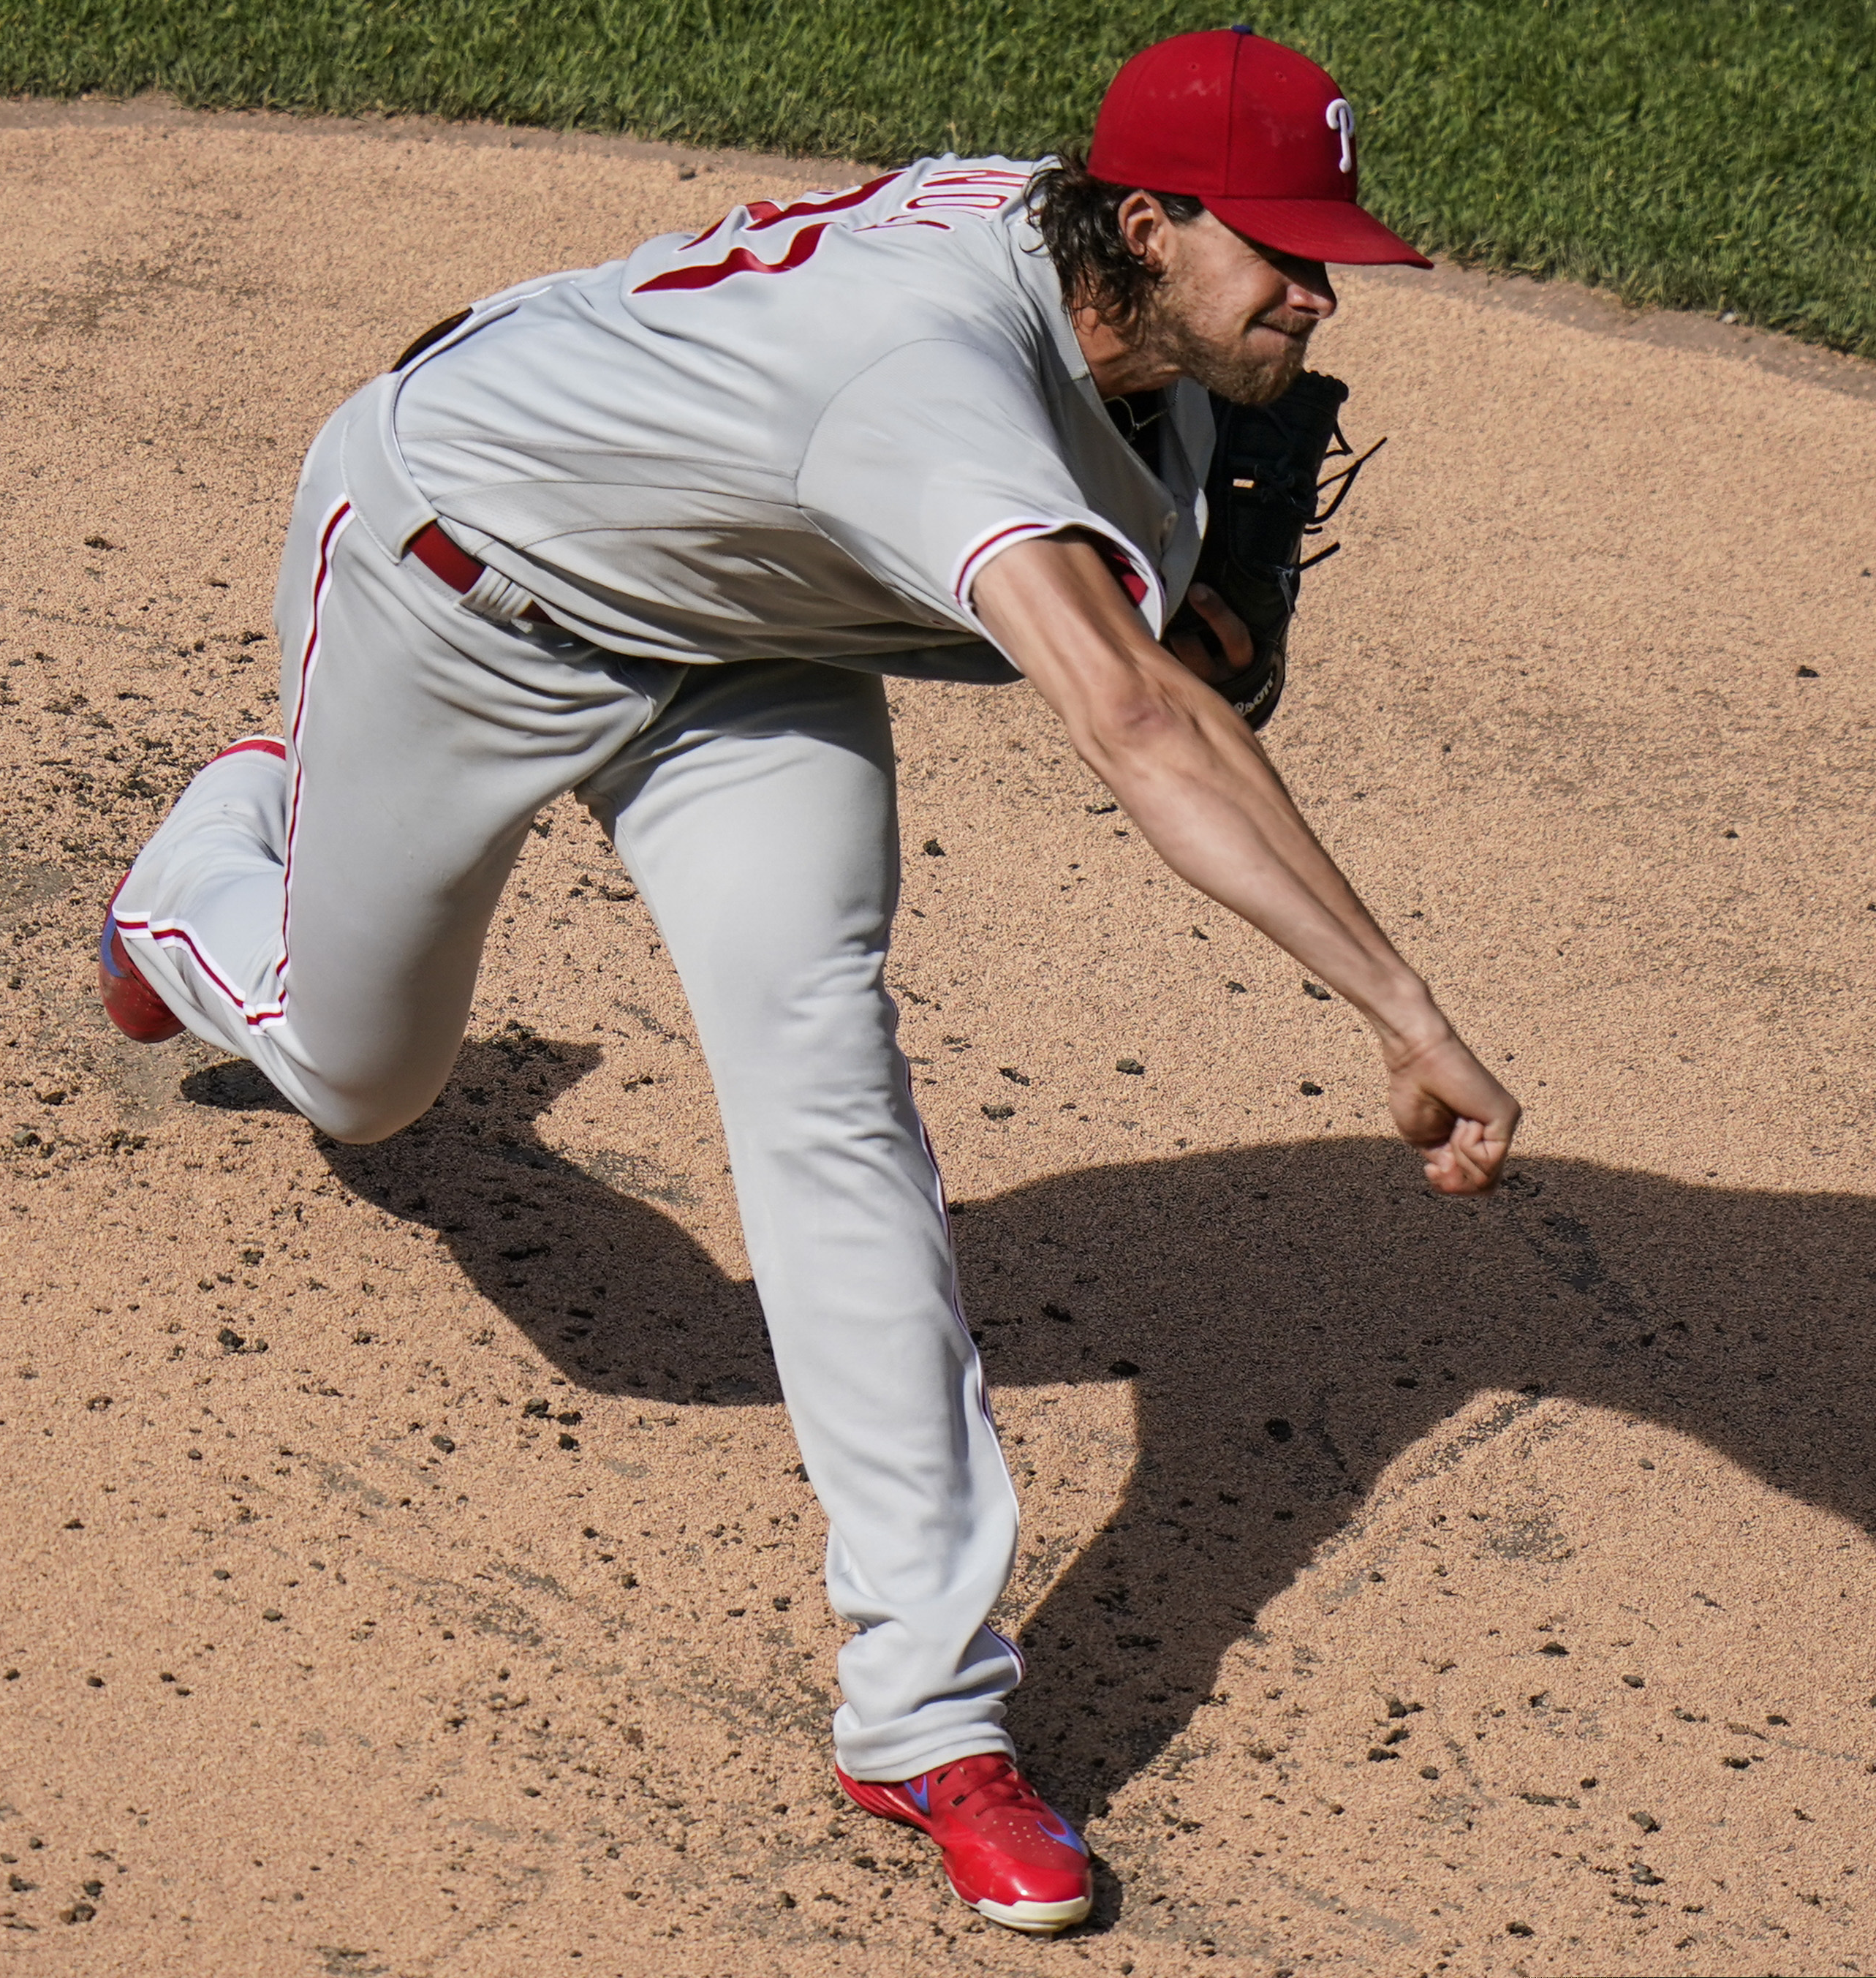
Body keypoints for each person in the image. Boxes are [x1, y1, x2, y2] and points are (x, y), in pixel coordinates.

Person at [98, 26, 1518, 1936]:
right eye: (1277, 244)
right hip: (463, 591)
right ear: (1150, 218)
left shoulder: (1113, 325)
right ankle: (212, 860)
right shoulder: (930, 386)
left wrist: (1191, 575)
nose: (1317, 286)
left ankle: (926, 1720)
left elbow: (1168, 646)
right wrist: (1403, 1011)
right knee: (367, 1082)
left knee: (826, 1079)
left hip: (740, 644)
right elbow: (1136, 719)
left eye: (1325, 242)